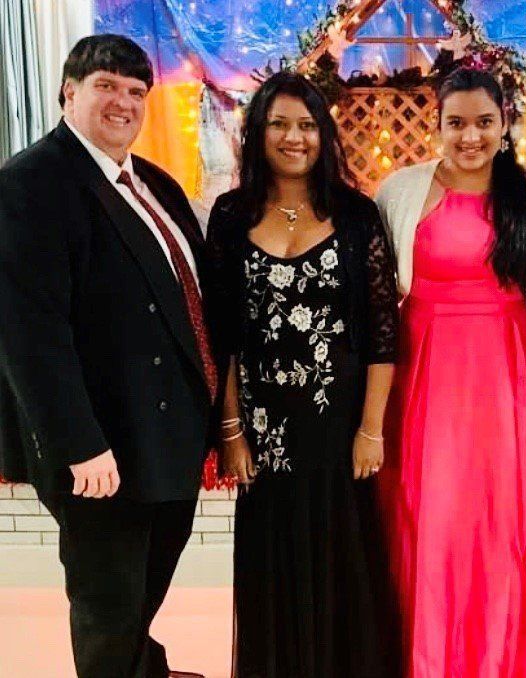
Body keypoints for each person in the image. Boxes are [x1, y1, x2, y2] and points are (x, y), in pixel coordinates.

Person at [0, 35, 213, 678]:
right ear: (69, 91)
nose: (122, 102)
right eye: (105, 86)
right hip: (102, 446)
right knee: (107, 599)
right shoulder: (30, 183)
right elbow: (29, 333)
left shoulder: (152, 183)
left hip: (166, 437)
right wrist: (76, 445)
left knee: (139, 596)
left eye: (135, 90)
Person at [374, 67, 526, 677]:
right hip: (423, 366)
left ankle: (506, 653)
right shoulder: (400, 190)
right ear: (435, 124)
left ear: (504, 123)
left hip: (505, 366)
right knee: (428, 508)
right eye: (456, 123)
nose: (470, 136)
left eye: (484, 122)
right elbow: (381, 291)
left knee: (502, 511)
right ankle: (427, 653)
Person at [205, 71, 400, 677]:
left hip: (339, 431)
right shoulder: (231, 216)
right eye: (280, 124)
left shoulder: (357, 215)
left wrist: (371, 429)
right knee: (273, 564)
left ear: (325, 134)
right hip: (265, 434)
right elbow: (225, 336)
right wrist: (232, 430)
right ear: (258, 133)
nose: (295, 137)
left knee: (346, 564)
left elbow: (381, 335)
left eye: (308, 124)